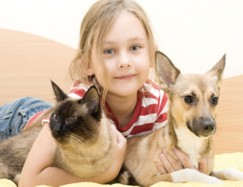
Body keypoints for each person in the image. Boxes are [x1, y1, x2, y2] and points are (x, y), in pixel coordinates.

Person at [0, 0, 208, 186]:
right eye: (109, 51)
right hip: (20, 121)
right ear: (88, 64)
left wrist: (190, 165)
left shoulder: (158, 103)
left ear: (152, 55)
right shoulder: (79, 102)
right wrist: (107, 173)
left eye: (135, 47)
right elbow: (29, 180)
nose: (124, 61)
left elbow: (188, 156)